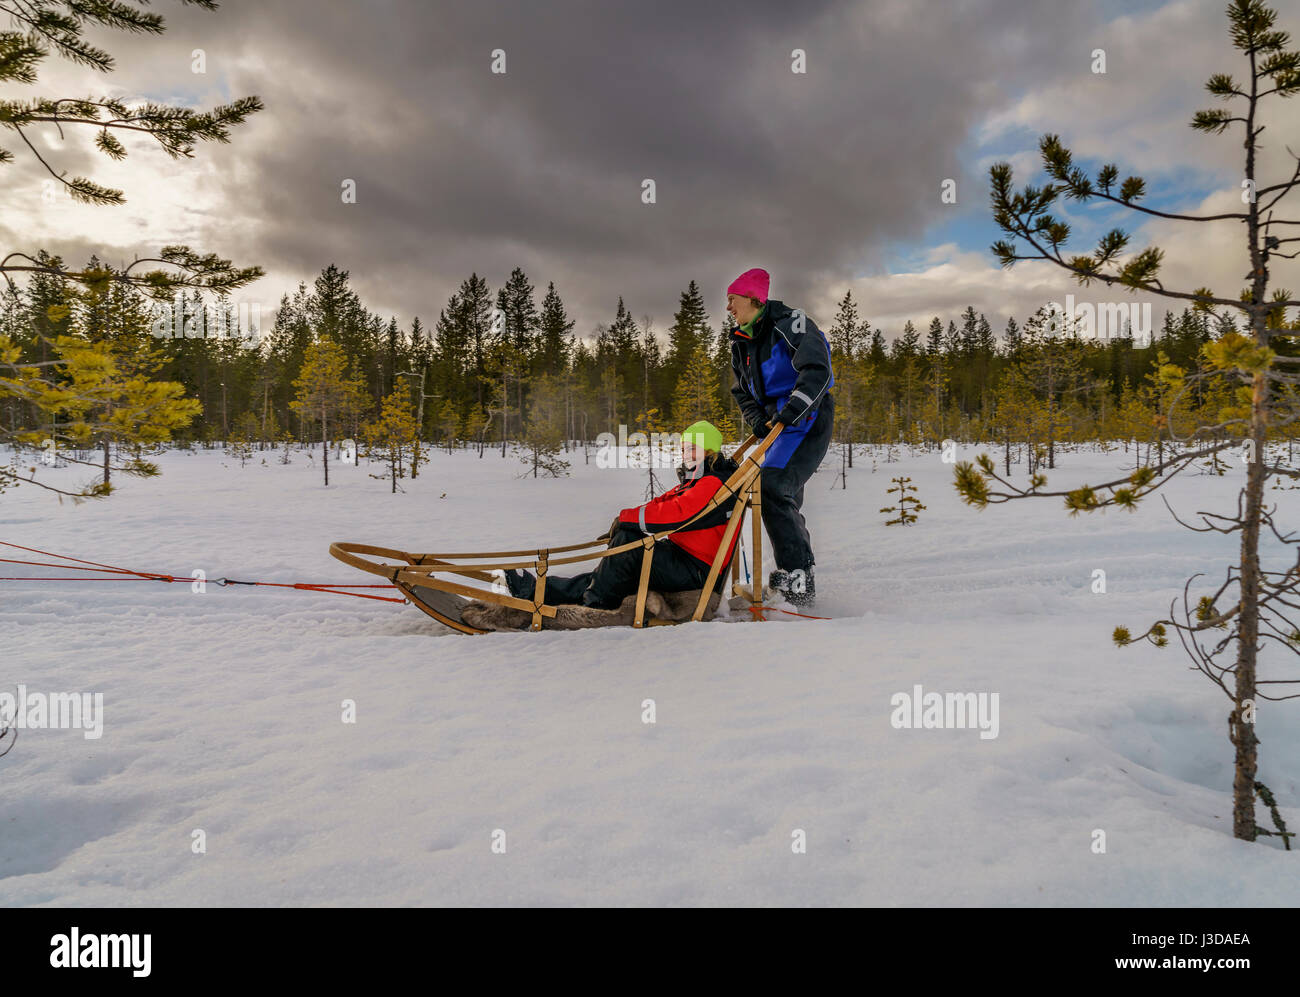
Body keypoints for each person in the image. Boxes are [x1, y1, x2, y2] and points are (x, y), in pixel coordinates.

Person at [503, 421, 740, 609]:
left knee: (627, 543)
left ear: (709, 450)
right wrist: (627, 518)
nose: (685, 454)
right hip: (682, 560)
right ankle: (537, 591)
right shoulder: (696, 481)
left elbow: (676, 514)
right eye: (683, 449)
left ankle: (594, 605)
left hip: (695, 571)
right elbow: (662, 502)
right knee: (611, 572)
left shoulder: (712, 482)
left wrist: (627, 520)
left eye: (692, 448)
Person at [725, 267, 834, 607]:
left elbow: (817, 368)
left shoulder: (792, 323)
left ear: (754, 298)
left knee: (771, 486)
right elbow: (741, 390)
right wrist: (757, 417)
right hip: (779, 423)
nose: (728, 307)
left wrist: (793, 409)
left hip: (809, 415)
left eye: (732, 299)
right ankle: (794, 579)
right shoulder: (741, 341)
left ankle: (798, 580)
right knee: (772, 492)